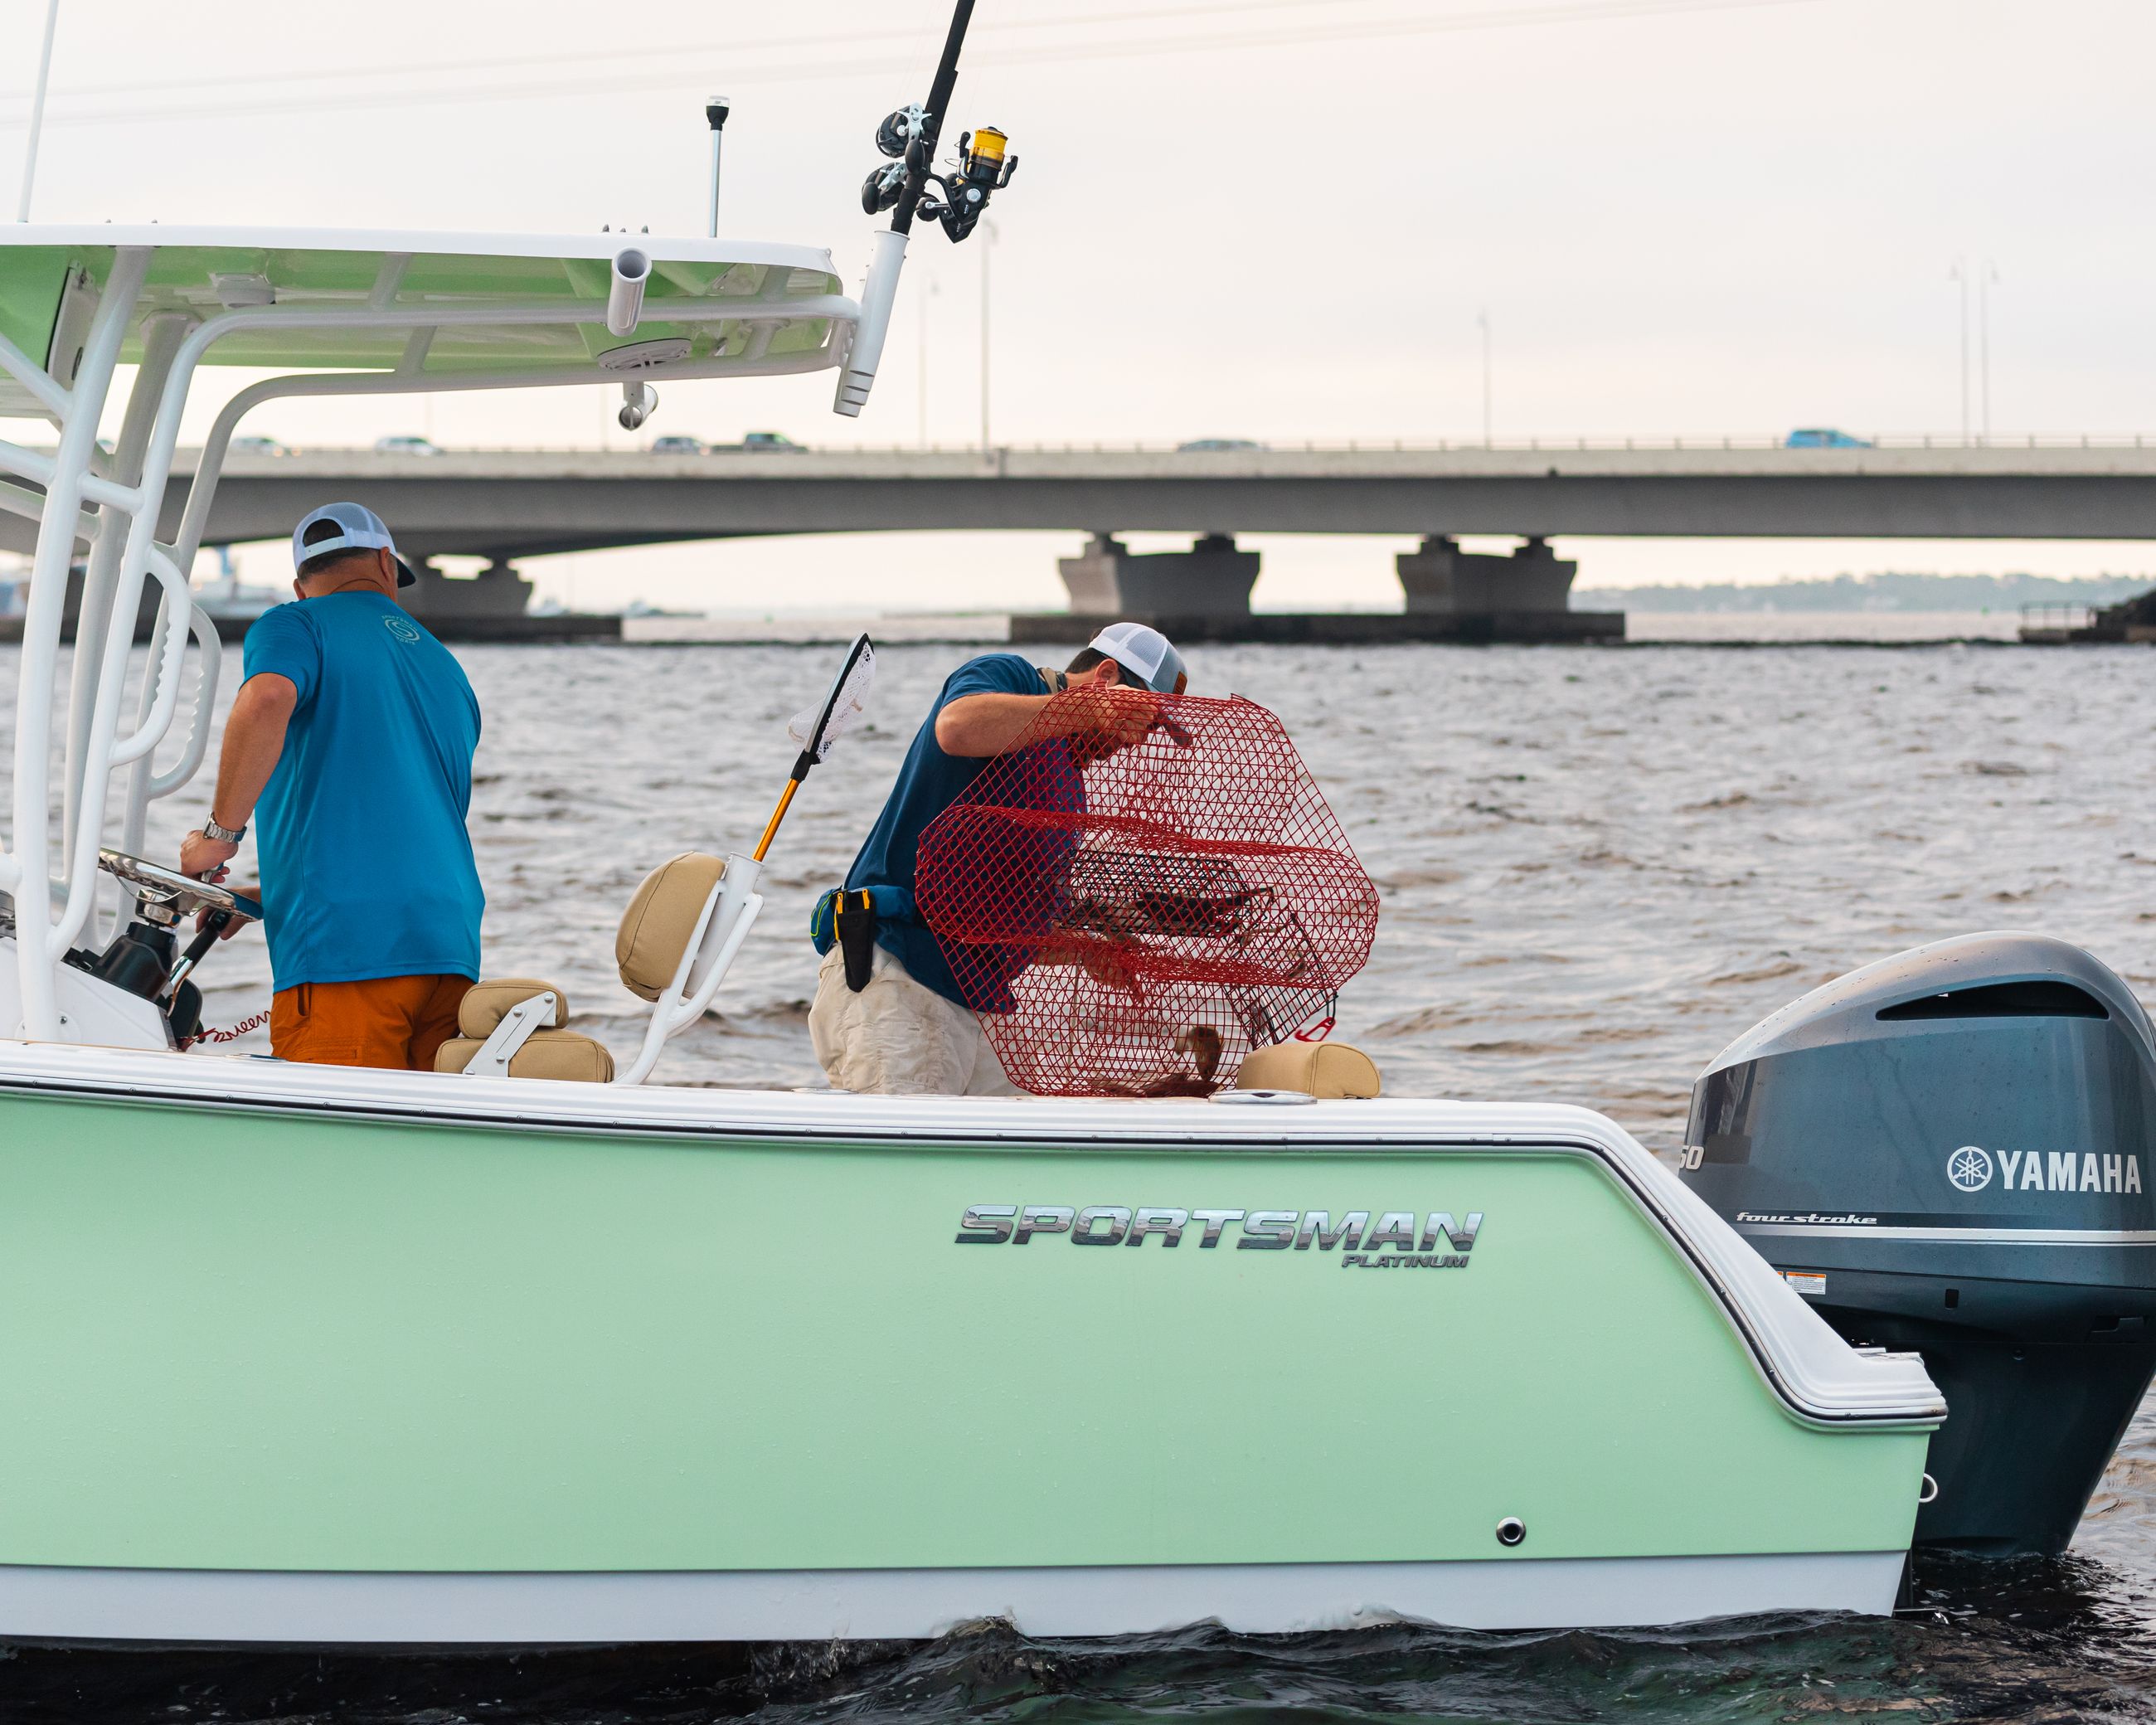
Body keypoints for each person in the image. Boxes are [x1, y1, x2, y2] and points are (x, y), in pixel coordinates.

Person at [808, 620, 1187, 1096]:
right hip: (902, 977)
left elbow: (1011, 920)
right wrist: (1089, 707)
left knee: (1022, 1155)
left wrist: (1087, 952)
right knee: (905, 1160)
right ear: (1106, 675)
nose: (1136, 740)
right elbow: (957, 727)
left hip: (981, 1005)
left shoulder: (1069, 787)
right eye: (1141, 718)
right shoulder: (1008, 675)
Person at [177, 503, 484, 1071]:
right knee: (421, 1143)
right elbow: (409, 819)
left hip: (349, 952)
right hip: (449, 944)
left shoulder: (295, 622)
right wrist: (275, 895)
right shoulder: (446, 667)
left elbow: (266, 698)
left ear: (300, 584)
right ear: (387, 565)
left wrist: (218, 838)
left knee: (337, 1147)